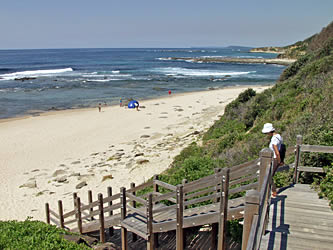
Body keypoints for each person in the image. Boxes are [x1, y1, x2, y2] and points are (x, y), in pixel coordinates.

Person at [262, 123, 283, 198]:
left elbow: (276, 151)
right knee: (269, 175)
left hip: (275, 159)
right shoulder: (278, 136)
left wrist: (279, 160)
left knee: (269, 176)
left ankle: (273, 191)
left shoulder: (274, 139)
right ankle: (272, 191)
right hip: (276, 159)